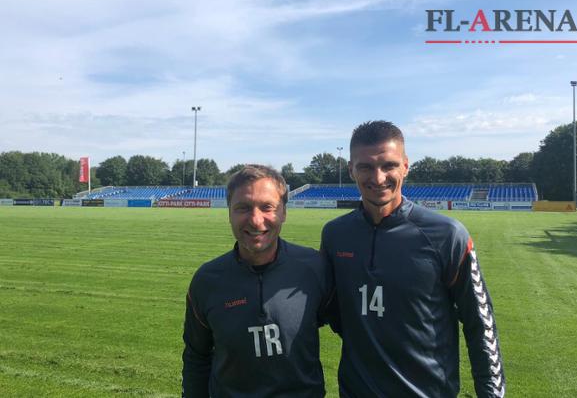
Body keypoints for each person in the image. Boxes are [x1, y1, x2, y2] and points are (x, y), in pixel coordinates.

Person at [321, 121, 505, 398]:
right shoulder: (335, 235)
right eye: (365, 167)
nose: (378, 178)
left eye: (389, 165)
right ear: (351, 170)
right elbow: (332, 310)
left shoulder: (447, 235)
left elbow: (480, 323)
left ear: (406, 166)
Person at [182, 164, 330, 398]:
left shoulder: (314, 268)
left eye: (267, 207)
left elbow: (355, 333)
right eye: (243, 208)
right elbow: (196, 358)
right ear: (229, 213)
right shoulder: (207, 281)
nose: (255, 220)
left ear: (284, 212)